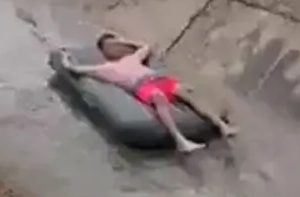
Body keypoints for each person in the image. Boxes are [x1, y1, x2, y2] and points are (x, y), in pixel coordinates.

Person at [60, 32, 237, 152]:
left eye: (115, 46)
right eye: (109, 47)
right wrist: (66, 60)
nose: (115, 49)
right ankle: (180, 140)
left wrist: (123, 41)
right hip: (143, 86)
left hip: (159, 80)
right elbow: (76, 69)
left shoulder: (131, 58)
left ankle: (222, 126)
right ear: (103, 51)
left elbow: (146, 47)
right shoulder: (105, 68)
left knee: (188, 94)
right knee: (158, 97)